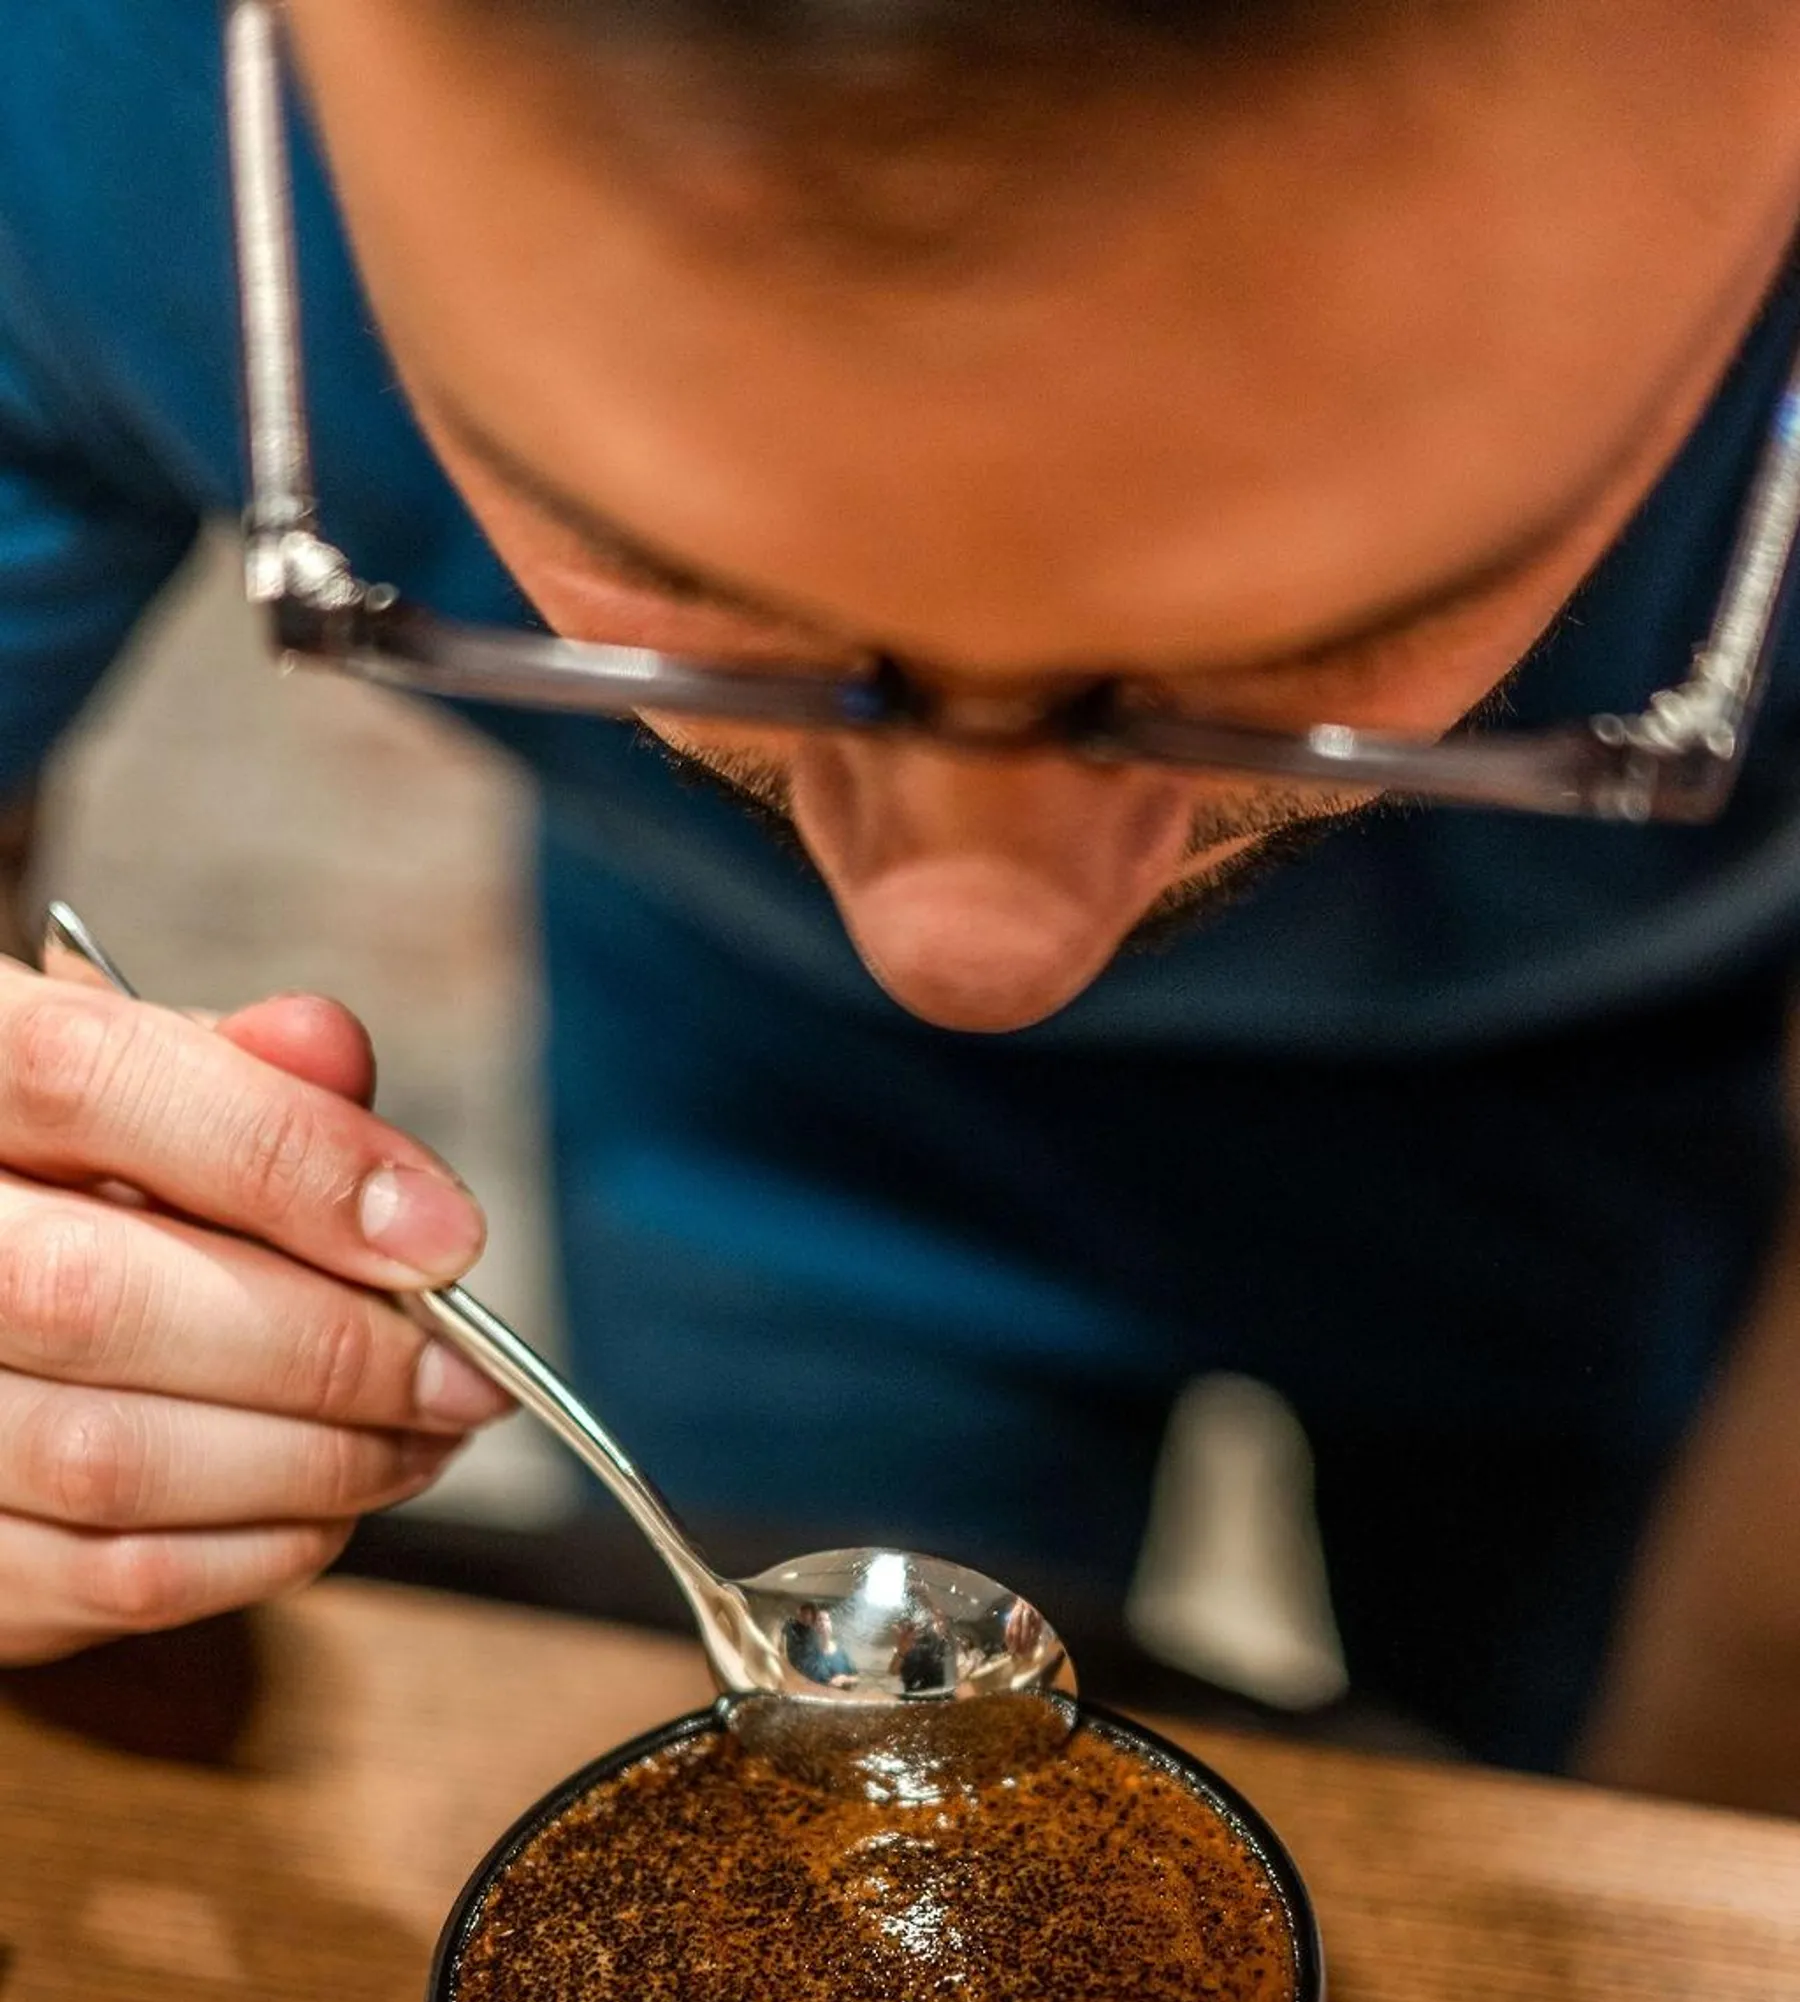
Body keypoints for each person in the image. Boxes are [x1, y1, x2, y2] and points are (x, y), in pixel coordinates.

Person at [2, 0, 1799, 1808]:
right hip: (742, 1083)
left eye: (1313, 647)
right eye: (695, 602)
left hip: (1655, 1110)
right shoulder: (89, 71)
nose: (973, 955)